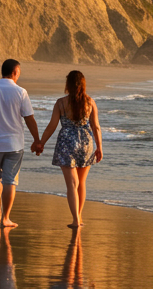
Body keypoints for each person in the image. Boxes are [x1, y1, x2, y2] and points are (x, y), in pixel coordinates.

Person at [0, 59, 40, 229]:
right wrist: (37, 140)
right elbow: (29, 118)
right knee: (10, 180)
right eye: (19, 73)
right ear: (15, 73)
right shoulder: (20, 92)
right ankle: (6, 217)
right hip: (14, 144)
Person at [36, 70, 103, 230]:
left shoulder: (61, 103)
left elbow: (52, 126)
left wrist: (41, 143)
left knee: (72, 184)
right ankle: (79, 216)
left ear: (68, 85)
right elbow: (96, 127)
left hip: (67, 142)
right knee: (81, 183)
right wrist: (99, 147)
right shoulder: (90, 102)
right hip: (86, 142)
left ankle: (75, 219)